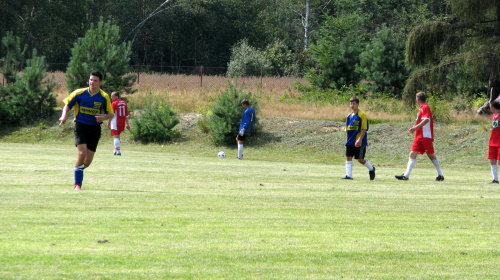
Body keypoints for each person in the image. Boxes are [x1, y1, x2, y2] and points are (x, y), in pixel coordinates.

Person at [59, 70, 114, 190]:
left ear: (100, 82)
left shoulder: (103, 97)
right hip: (81, 126)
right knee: (81, 153)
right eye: (90, 79)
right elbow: (67, 105)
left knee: (88, 161)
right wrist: (63, 116)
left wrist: (103, 118)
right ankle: (77, 184)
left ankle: (78, 170)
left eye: (95, 80)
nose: (92, 82)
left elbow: (111, 114)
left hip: (95, 129)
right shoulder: (79, 93)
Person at [395, 91, 444, 181]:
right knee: (412, 153)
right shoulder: (421, 108)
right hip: (419, 136)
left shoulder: (425, 107)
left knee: (431, 155)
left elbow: (426, 120)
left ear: (417, 100)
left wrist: (415, 128)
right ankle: (406, 175)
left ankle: (440, 175)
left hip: (425, 136)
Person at [342, 97, 376, 180]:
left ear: (358, 104)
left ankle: (372, 169)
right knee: (348, 157)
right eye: (351, 103)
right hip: (350, 140)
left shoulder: (362, 115)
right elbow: (347, 129)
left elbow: (364, 128)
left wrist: (360, 139)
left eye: (354, 103)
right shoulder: (349, 116)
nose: (352, 105)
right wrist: (347, 139)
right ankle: (349, 176)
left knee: (360, 159)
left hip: (359, 141)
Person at [108, 91, 130, 155]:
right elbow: (126, 114)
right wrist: (127, 124)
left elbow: (111, 114)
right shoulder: (124, 103)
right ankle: (115, 149)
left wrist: (109, 122)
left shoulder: (114, 103)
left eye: (112, 96)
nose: (111, 97)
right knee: (117, 136)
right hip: (122, 122)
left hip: (115, 121)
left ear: (116, 96)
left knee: (116, 136)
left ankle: (118, 151)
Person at [487, 100, 500, 184]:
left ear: (493, 107)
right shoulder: (493, 115)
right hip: (493, 141)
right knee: (492, 161)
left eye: (490, 106)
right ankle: (495, 179)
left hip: (499, 142)